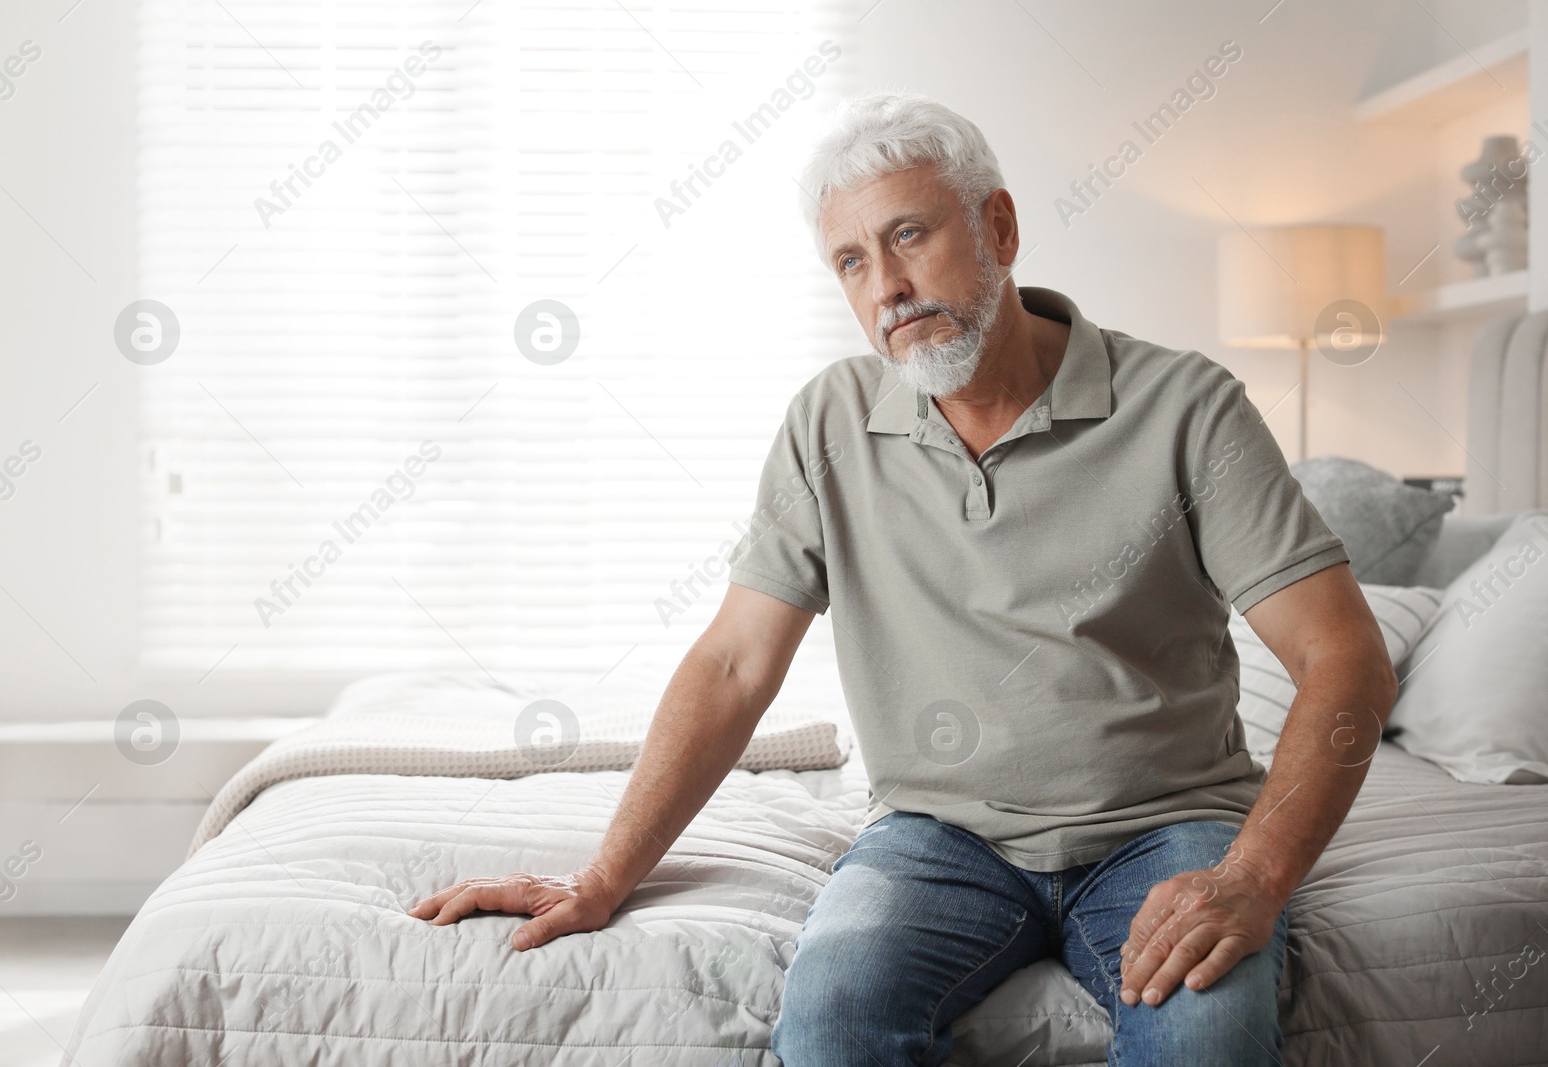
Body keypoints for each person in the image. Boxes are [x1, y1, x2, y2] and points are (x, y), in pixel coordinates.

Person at [409, 91, 1396, 1066]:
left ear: (998, 227)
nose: (884, 285)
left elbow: (1341, 653)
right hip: (936, 837)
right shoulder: (829, 423)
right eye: (850, 259)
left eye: (909, 236)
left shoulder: (1185, 407)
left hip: (1166, 827)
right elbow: (732, 665)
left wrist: (1255, 875)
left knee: (1207, 1041)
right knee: (832, 1028)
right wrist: (602, 875)